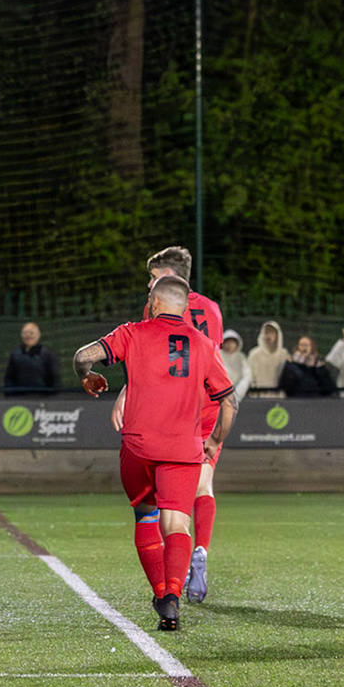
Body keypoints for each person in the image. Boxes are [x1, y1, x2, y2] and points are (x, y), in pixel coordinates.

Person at [73, 275, 237, 632]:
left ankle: (161, 592)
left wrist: (87, 376)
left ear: (156, 303)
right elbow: (229, 402)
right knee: (177, 524)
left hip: (139, 447)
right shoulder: (204, 345)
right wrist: (215, 440)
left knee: (146, 516)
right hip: (184, 449)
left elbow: (83, 355)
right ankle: (173, 598)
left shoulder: (132, 333)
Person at [126, 247, 224, 604]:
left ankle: (169, 581)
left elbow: (148, 356)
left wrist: (127, 394)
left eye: (153, 277)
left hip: (174, 407)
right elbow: (211, 353)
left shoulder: (157, 305)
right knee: (203, 484)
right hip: (209, 403)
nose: (149, 285)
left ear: (167, 276)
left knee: (161, 501)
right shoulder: (212, 308)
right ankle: (201, 551)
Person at [2, 322, 58, 394]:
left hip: (41, 397)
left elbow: (53, 379)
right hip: (19, 397)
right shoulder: (15, 355)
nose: (28, 336)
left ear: (38, 335)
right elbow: (9, 378)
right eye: (25, 333)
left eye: (31, 333)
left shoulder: (47, 354)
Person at [246, 321, 288, 396]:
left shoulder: (284, 355)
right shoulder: (254, 354)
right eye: (266, 332)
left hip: (278, 396)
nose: (269, 336)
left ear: (277, 335)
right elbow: (250, 376)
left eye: (272, 333)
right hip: (259, 395)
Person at [219, 331, 253, 405]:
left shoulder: (241, 357)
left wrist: (239, 392)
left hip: (238, 396)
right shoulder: (217, 356)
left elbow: (247, 375)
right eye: (227, 342)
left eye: (232, 342)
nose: (230, 345)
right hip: (219, 396)